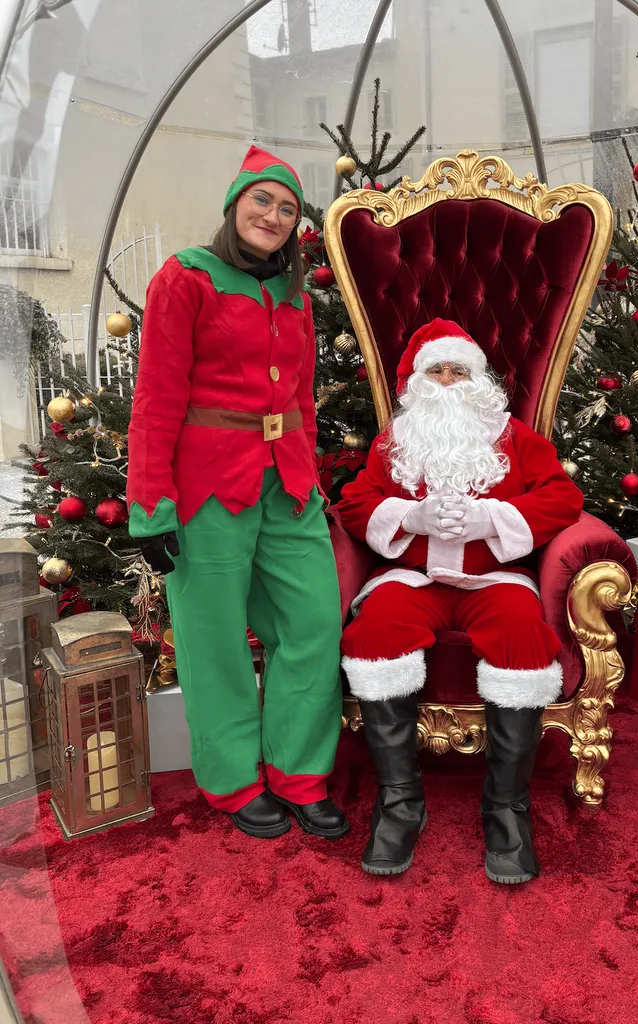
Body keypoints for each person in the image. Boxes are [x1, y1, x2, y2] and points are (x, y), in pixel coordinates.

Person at [127, 145, 347, 841]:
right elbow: (157, 399)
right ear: (235, 205)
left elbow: (304, 401)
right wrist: (149, 506)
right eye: (263, 201)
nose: (274, 216)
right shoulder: (184, 278)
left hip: (286, 484)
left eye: (287, 209)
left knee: (312, 623)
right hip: (204, 487)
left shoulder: (293, 295)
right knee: (213, 637)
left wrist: (306, 474)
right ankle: (230, 782)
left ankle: (299, 774)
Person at [336, 318, 584, 883]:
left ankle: (506, 809)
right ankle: (400, 804)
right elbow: (354, 503)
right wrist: (408, 516)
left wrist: (491, 518)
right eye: (436, 371)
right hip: (412, 578)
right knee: (375, 636)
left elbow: (564, 499)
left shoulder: (515, 437)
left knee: (523, 636)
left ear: (478, 380)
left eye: (459, 370)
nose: (447, 381)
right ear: (417, 383)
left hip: (495, 580)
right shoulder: (392, 443)